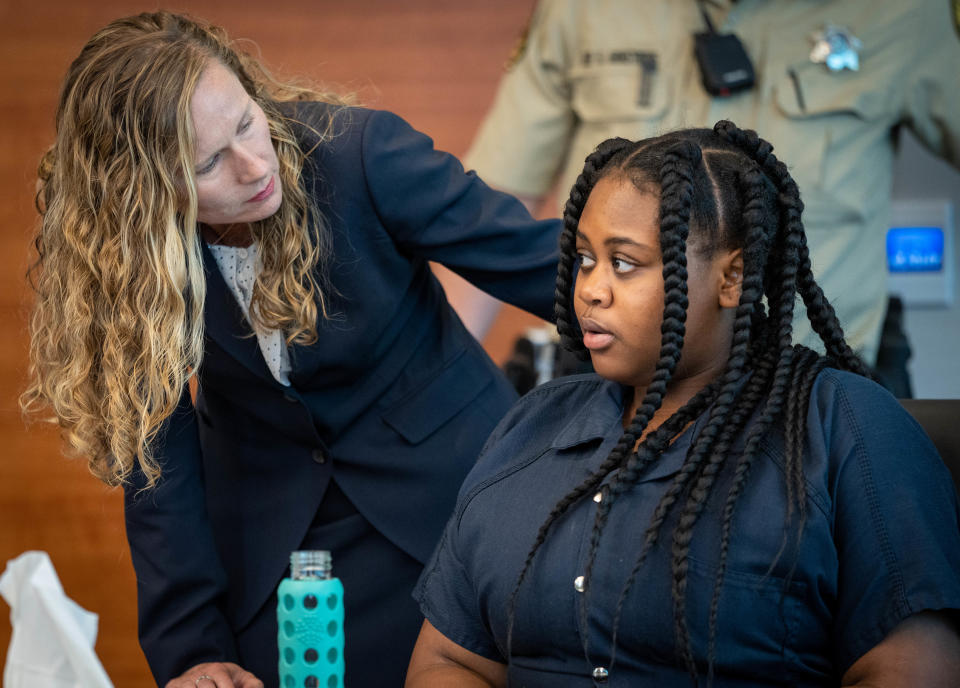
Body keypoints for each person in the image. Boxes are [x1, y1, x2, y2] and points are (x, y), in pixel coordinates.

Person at [21, 12, 562, 688]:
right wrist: (192, 646)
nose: (254, 166)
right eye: (210, 162)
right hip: (278, 544)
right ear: (145, 193)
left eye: (247, 122)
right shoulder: (126, 256)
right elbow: (156, 459)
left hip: (453, 506)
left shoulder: (362, 157)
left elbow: (545, 267)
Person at [408, 123, 960, 686]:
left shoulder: (844, 429)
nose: (592, 289)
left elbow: (911, 671)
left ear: (733, 278)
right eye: (584, 259)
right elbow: (451, 659)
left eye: (624, 263)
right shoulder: (532, 427)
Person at [463, 0, 960, 395]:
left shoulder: (907, 12)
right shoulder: (581, 8)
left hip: (817, 387)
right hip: (612, 392)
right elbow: (492, 207)